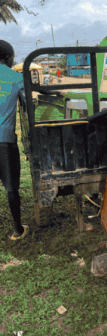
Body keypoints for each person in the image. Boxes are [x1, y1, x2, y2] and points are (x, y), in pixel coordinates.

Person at [0, 40, 28, 240]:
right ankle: (18, 230)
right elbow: (29, 99)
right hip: (5, 141)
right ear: (9, 58)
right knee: (11, 187)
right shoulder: (15, 78)